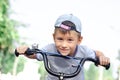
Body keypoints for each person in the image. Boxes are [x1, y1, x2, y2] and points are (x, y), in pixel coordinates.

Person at [15, 14, 110, 80]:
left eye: (70, 40)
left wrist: (102, 57)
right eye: (60, 39)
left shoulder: (83, 51)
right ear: (53, 37)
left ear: (79, 40)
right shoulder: (50, 49)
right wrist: (25, 51)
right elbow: (35, 54)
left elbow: (96, 53)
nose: (64, 45)